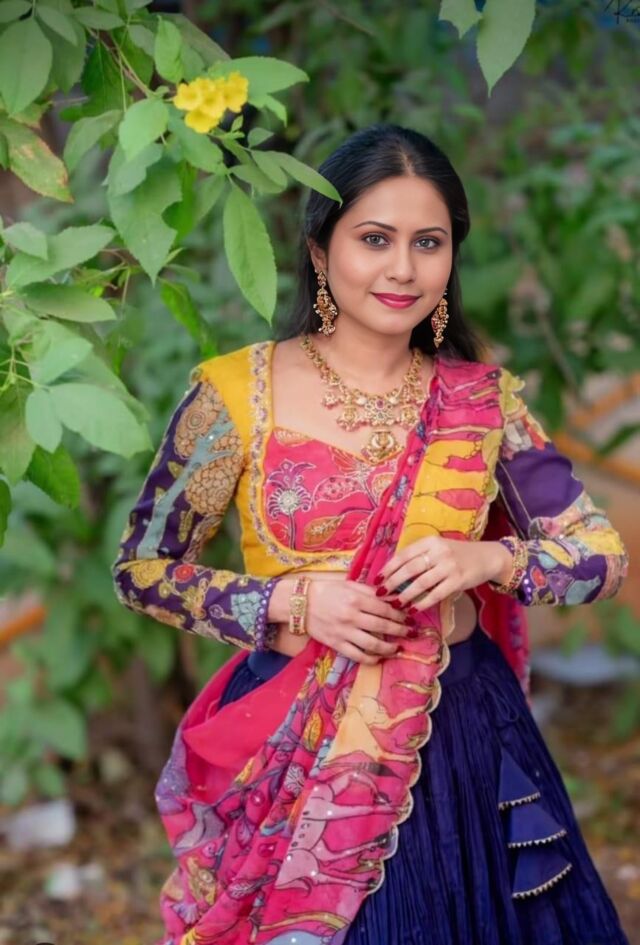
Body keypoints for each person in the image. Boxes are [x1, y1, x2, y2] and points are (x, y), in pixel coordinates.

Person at [111, 124, 630, 945]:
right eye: (375, 239)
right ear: (321, 250)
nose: (403, 269)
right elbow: (143, 568)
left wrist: (487, 556)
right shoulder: (236, 396)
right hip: (295, 741)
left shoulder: (482, 402)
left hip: (459, 731)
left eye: (429, 242)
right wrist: (291, 602)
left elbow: (601, 556)